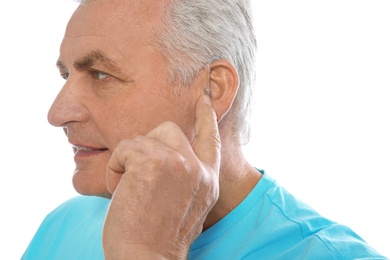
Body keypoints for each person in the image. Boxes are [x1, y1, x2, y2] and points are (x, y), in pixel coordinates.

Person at [22, 0, 386, 259]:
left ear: (213, 89)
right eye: (67, 75)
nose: (58, 113)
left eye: (101, 74)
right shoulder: (63, 225)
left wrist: (147, 254)